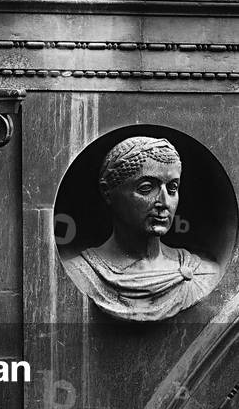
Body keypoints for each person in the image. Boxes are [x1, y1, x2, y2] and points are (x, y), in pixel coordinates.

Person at [64, 136, 220, 322]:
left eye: (172, 188)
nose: (164, 202)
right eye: (146, 188)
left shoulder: (203, 275)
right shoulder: (79, 274)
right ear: (108, 193)